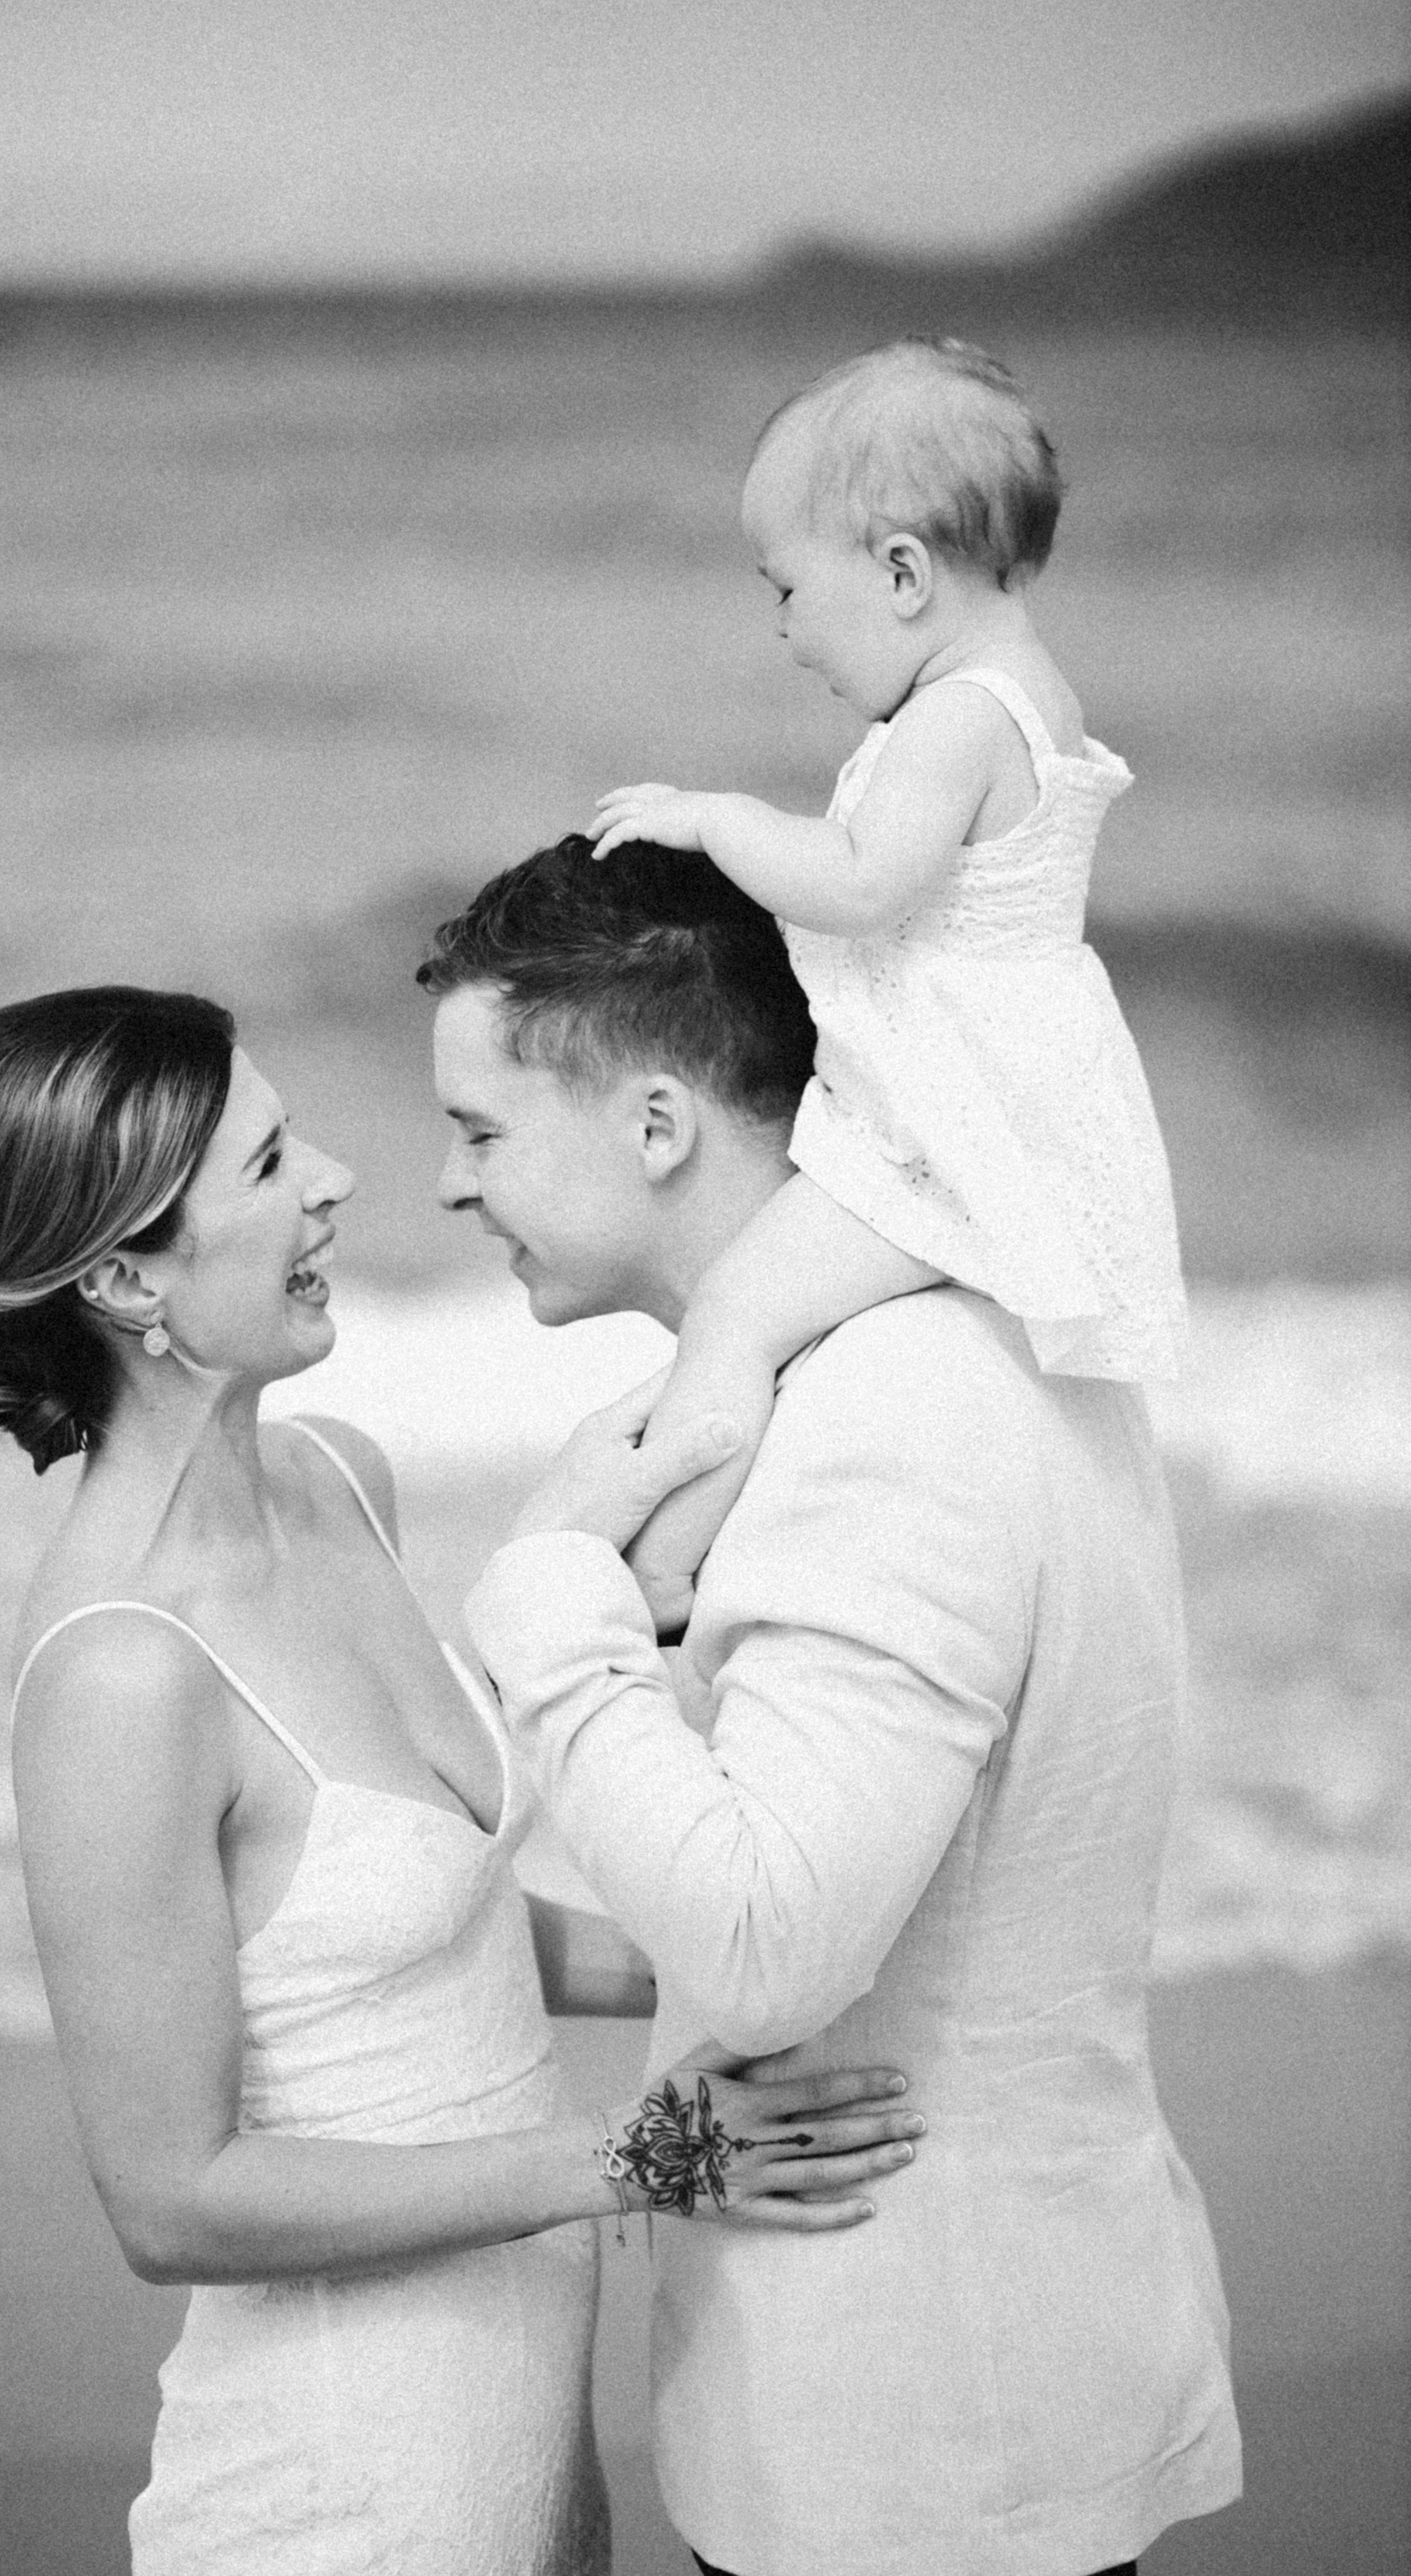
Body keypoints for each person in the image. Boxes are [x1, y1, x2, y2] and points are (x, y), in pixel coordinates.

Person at [0, 982, 924, 2576]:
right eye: (263, 1165)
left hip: (516, 2461)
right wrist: (635, 2160)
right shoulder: (118, 1672)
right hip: (331, 2493)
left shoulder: (334, 1479)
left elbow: (419, 1945)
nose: (335, 1178)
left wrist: (774, 1948)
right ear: (119, 1275)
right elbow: (173, 2199)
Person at [420, 838, 1242, 2576]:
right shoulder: (949, 1345)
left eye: (480, 1131)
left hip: (918, 2432)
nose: (447, 1185)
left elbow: (774, 1940)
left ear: (653, 1123)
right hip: (972, 2379)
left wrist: (550, 1587)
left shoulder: (884, 1418)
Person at [584, 337, 1187, 1627]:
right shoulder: (1027, 693)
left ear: (903, 572)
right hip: (996, 1080)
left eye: (790, 589)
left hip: (946, 1108)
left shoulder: (961, 717)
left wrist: (718, 818)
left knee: (740, 1311)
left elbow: (864, 884)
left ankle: (665, 1579)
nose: (786, 630)